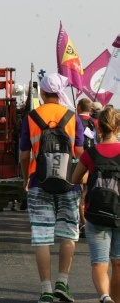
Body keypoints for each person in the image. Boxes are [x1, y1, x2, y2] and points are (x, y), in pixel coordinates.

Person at [19, 73, 84, 303]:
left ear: (43, 93)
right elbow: (80, 154)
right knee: (68, 235)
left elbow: (25, 155)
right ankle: (62, 284)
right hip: (69, 184)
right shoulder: (72, 116)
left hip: (39, 182)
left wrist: (27, 177)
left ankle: (46, 290)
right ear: (59, 93)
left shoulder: (31, 117)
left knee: (42, 238)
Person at [72, 108, 120, 303]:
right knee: (118, 263)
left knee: (99, 263)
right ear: (117, 127)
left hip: (96, 213)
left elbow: (75, 178)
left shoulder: (90, 153)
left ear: (98, 126)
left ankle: (104, 296)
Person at [77, 98, 100, 237]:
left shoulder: (75, 120)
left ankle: (84, 222)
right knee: (89, 190)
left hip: (79, 159)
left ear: (79, 107)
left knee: (80, 193)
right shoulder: (95, 122)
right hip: (95, 159)